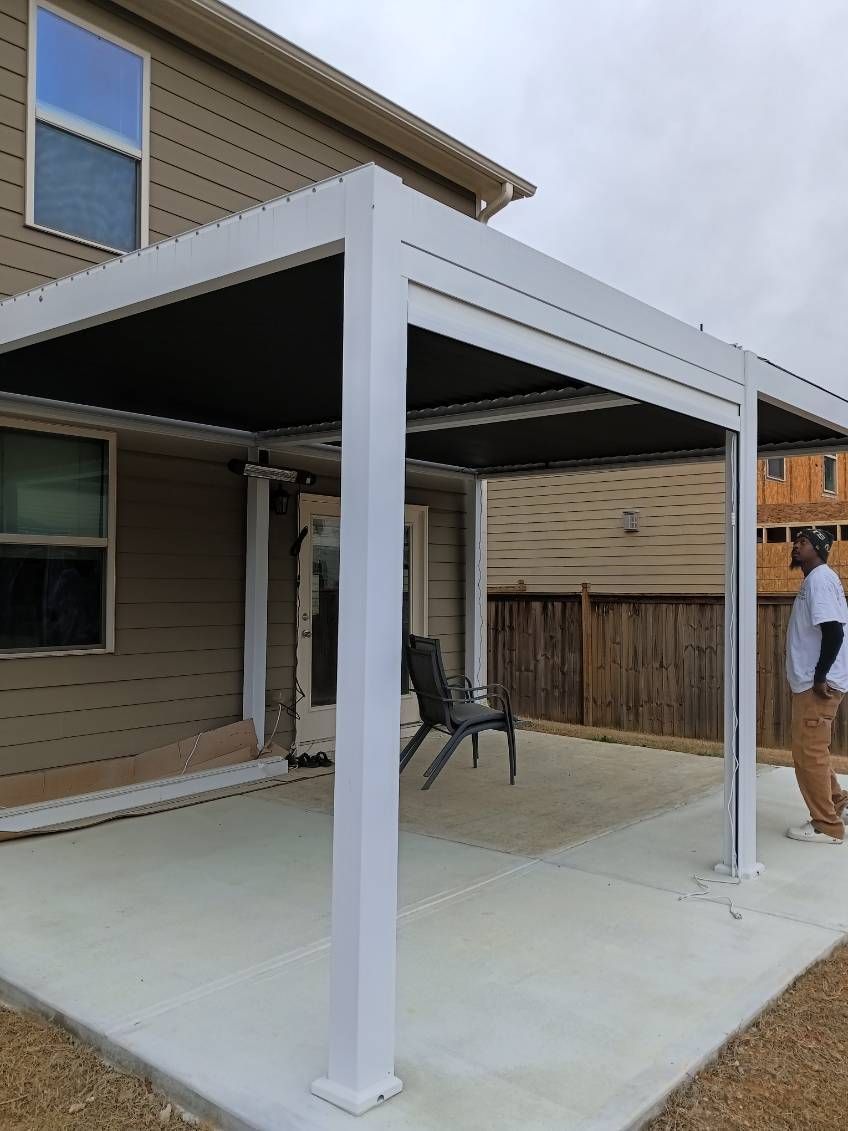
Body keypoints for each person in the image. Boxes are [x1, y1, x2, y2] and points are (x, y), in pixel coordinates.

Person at [785, 527, 848, 844]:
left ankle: (827, 826)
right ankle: (838, 804)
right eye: (796, 540)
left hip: (816, 686)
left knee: (809, 755)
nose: (796, 545)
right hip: (813, 684)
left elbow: (834, 632)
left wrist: (820, 677)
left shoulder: (820, 579)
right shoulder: (817, 579)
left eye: (804, 542)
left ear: (819, 549)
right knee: (814, 751)